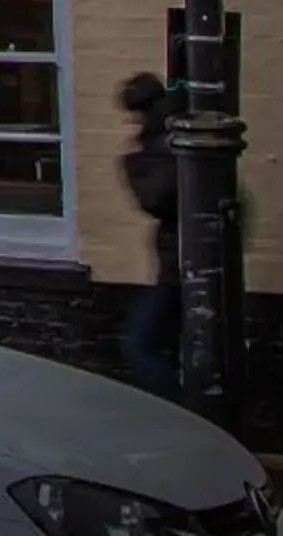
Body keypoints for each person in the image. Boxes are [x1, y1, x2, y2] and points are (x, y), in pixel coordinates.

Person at [118, 71, 181, 395]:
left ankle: (180, 412)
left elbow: (156, 200)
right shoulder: (176, 132)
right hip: (184, 265)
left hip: (178, 268)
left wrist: (132, 164)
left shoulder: (158, 145)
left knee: (140, 345)